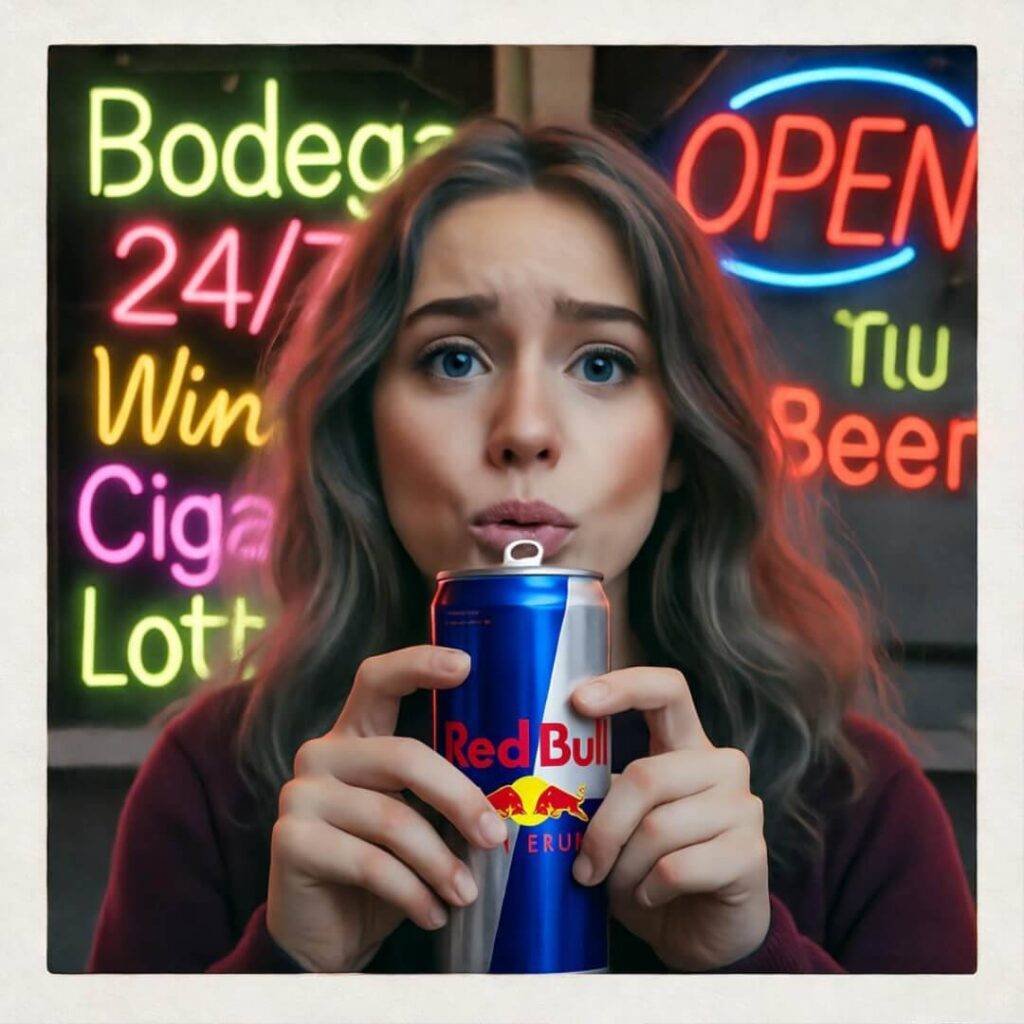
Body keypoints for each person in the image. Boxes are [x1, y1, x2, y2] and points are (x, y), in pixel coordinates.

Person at [86, 117, 976, 974]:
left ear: (681, 440)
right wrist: (287, 969)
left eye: (601, 364)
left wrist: (752, 964)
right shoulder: (219, 783)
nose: (523, 431)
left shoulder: (856, 803)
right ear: (364, 422)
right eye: (454, 358)